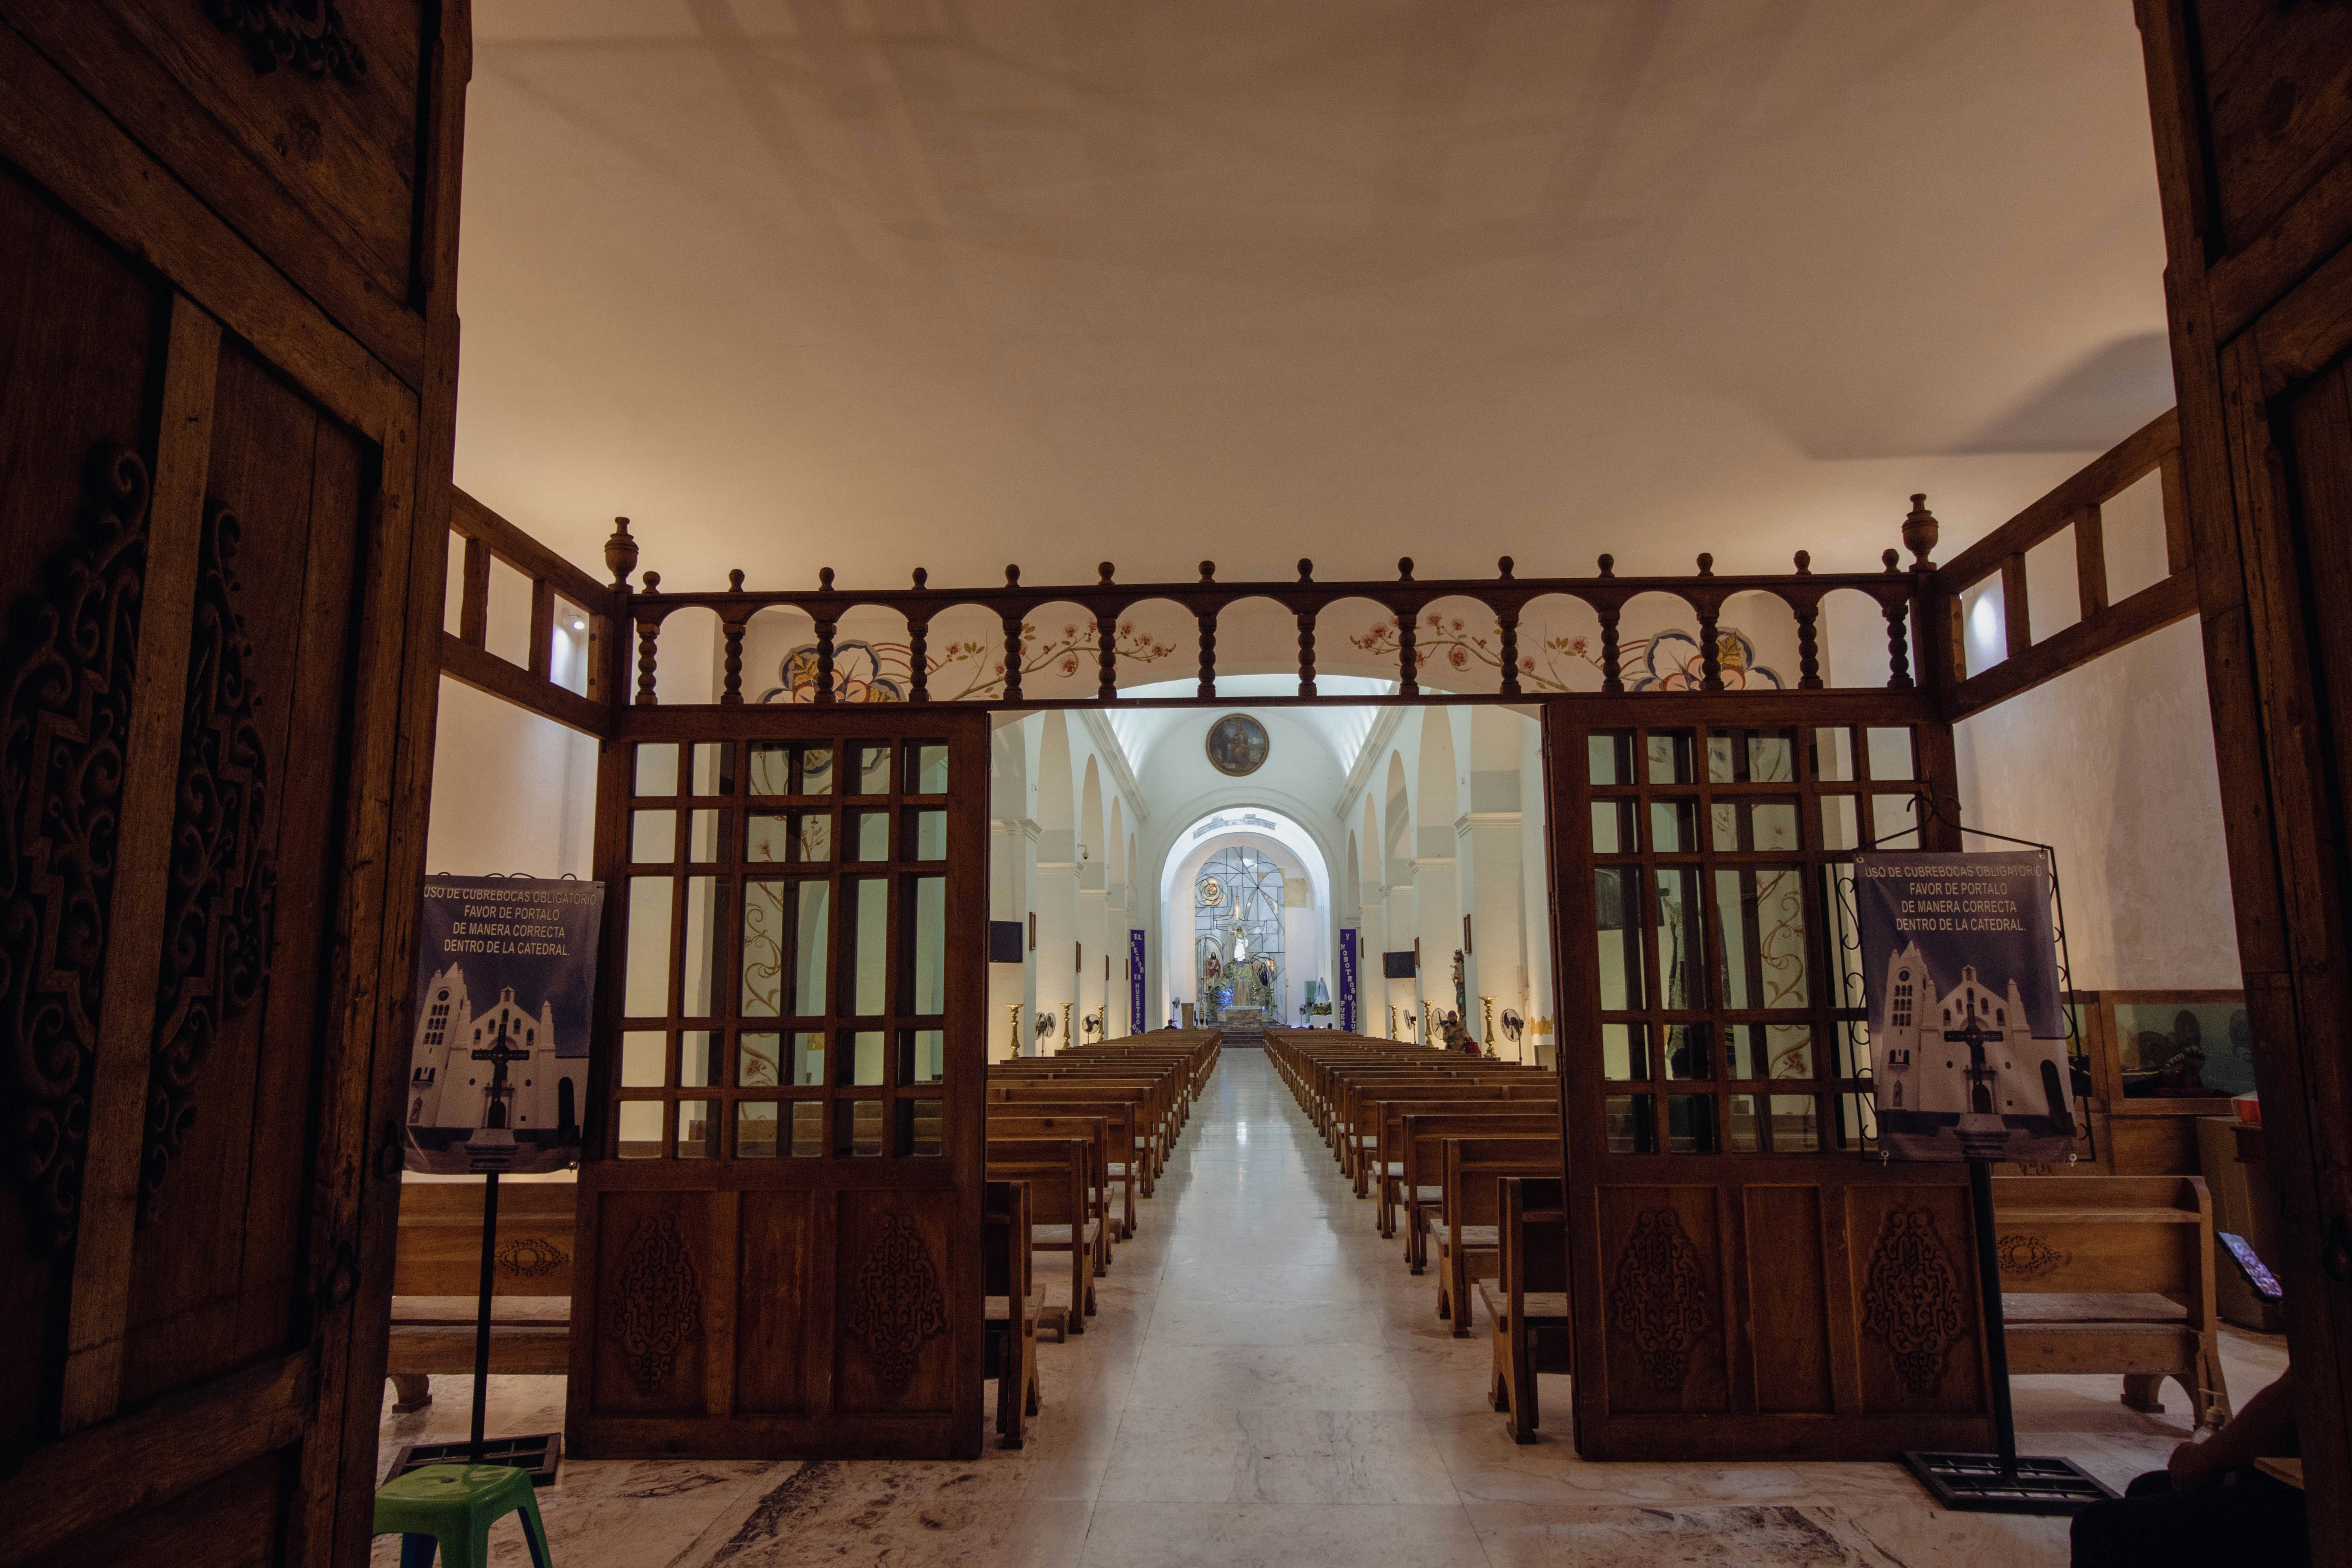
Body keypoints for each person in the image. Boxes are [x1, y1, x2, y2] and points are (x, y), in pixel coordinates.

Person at [2071, 1369, 2307, 1566]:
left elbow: (2285, 1406)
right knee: (2149, 1488)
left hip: (2306, 1516)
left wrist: (2206, 1458)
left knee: (2096, 1526)